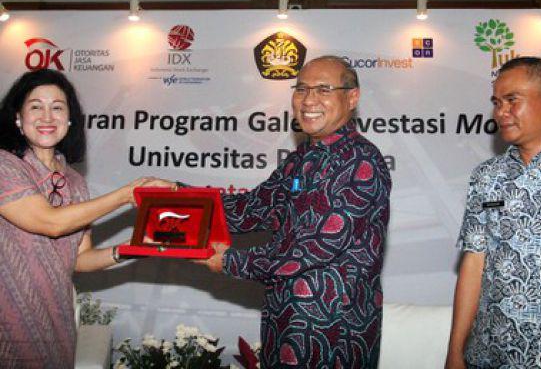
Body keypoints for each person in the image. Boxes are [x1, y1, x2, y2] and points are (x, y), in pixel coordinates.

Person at [200, 56, 391, 368]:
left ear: (352, 97)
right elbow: (249, 209)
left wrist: (231, 261)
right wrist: (176, 196)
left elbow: (314, 248)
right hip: (283, 320)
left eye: (323, 90)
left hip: (332, 331)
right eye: (301, 89)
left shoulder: (360, 162)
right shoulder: (300, 158)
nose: (309, 100)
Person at [0, 69, 171, 368]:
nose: (47, 116)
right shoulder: (5, 165)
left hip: (57, 327)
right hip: (8, 328)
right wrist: (126, 194)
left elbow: (80, 259)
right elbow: (51, 222)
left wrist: (135, 247)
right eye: (35, 106)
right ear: (18, 117)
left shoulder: (76, 181)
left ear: (70, 120)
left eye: (57, 107)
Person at [445, 57, 541, 368]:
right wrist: (455, 350)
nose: (500, 112)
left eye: (512, 100)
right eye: (497, 102)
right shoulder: (487, 177)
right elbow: (473, 264)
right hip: (491, 355)